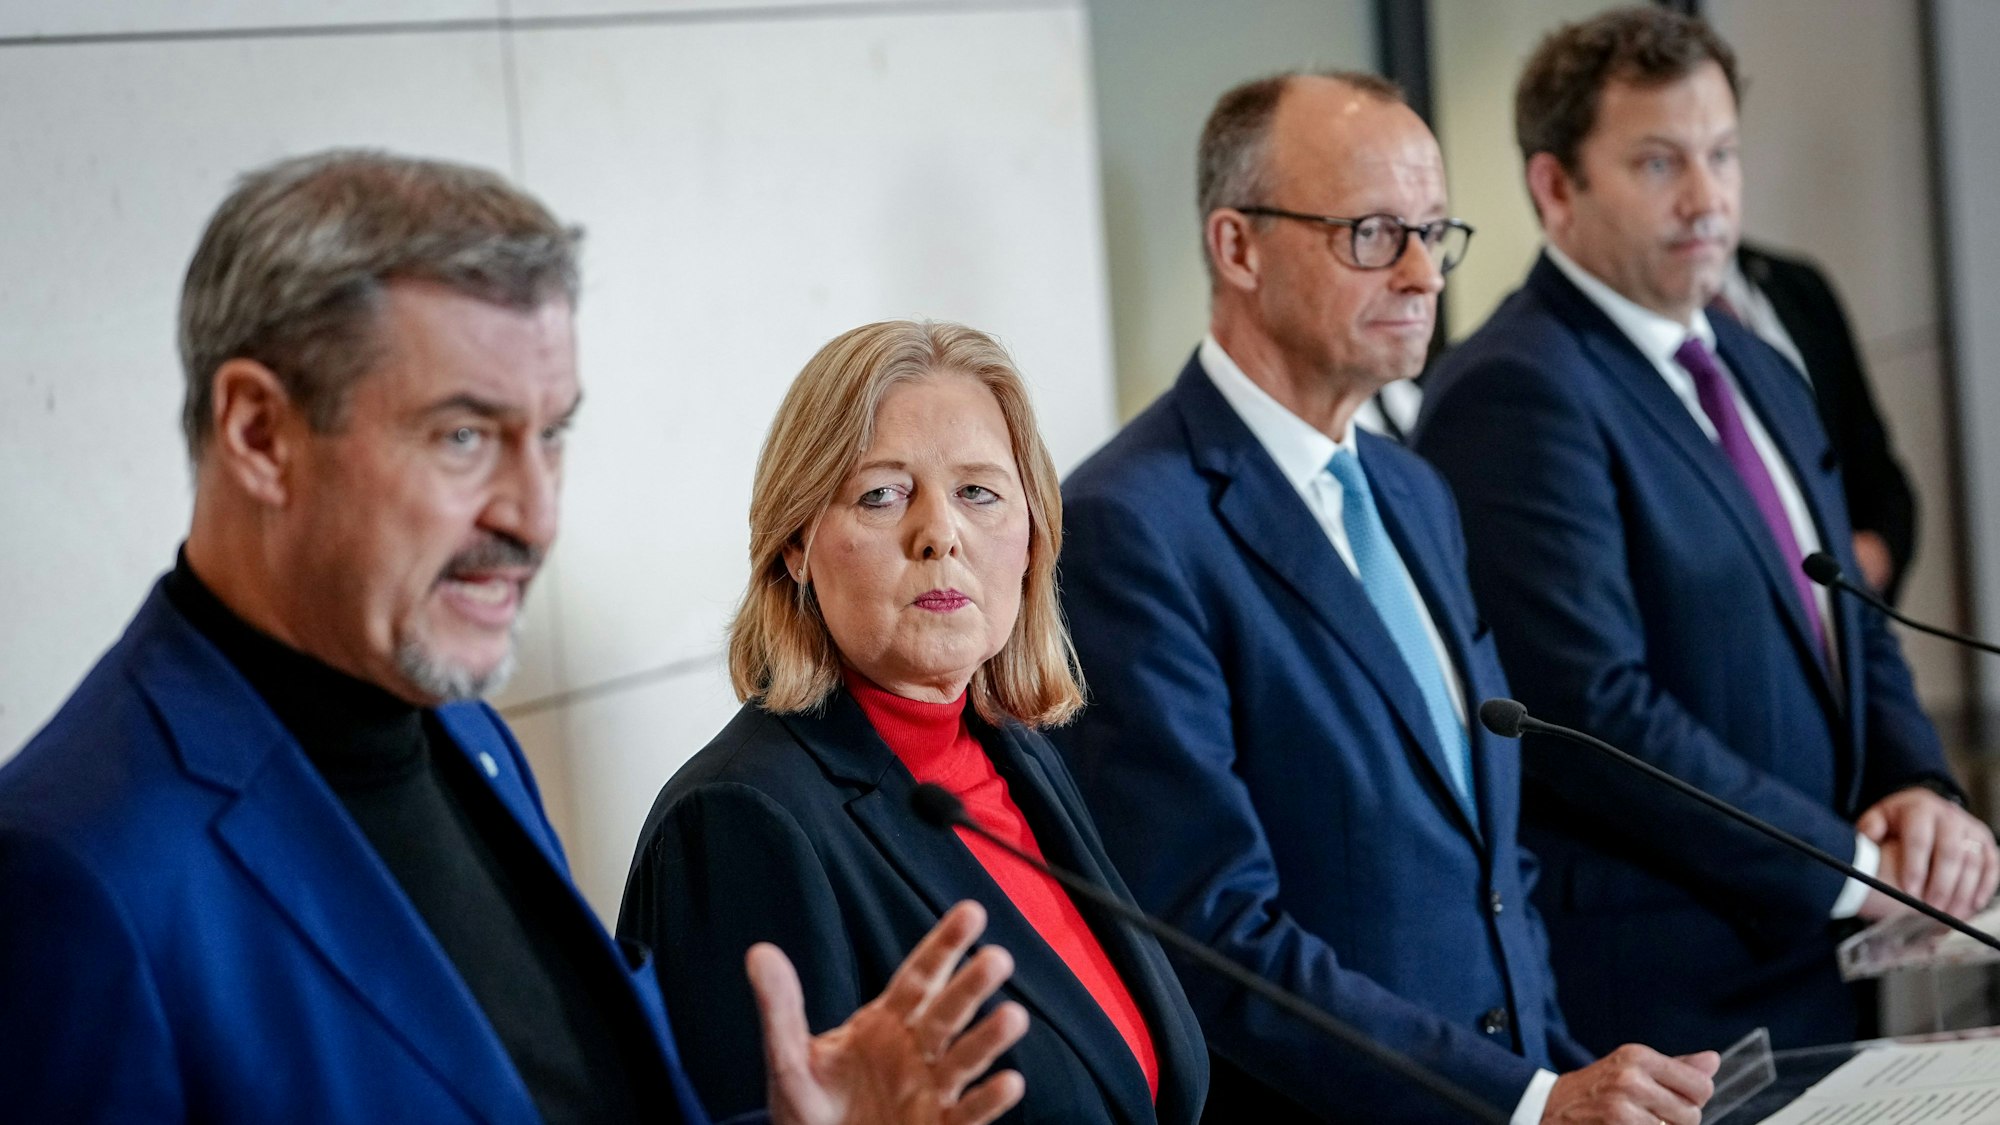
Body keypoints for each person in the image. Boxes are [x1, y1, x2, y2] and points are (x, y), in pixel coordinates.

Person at [0, 150, 1027, 1125]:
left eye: (549, 435)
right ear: (261, 435)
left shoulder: (465, 730)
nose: (533, 516)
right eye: (463, 436)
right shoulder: (71, 874)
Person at [1052, 72, 1715, 1124]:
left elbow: (1492, 867)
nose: (1419, 274)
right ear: (1236, 248)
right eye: (1369, 233)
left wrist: (1566, 1076)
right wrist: (1524, 1101)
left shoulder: (1410, 489)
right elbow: (1213, 934)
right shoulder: (1127, 526)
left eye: (1430, 233)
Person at [1417, 7, 1999, 1057]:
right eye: (1656, 163)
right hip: (1665, 1002)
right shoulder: (1514, 389)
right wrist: (1847, 868)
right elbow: (1595, 708)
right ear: (1554, 188)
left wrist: (1916, 787)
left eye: (1720, 155)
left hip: (1820, 962)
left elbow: (1848, 622)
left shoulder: (1756, 364)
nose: (1706, 198)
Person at [618, 320, 1210, 1125]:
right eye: (882, 493)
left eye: (978, 492)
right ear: (797, 542)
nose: (940, 534)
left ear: (1033, 535)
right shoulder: (735, 820)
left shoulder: (1014, 751)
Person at [1723, 241, 1918, 601]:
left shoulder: (1797, 288)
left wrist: (1875, 555)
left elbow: (1876, 470)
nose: (1703, 202)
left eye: (1719, 178)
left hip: (1847, 619)